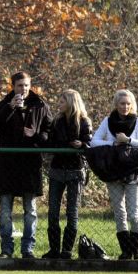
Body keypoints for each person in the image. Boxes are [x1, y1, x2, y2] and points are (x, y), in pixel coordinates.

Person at [0, 71, 52, 259]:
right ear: (13, 86)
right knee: (6, 210)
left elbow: (49, 130)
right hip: (8, 164)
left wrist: (37, 136)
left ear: (30, 85)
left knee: (30, 211)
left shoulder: (40, 105)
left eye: (26, 85)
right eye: (19, 86)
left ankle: (28, 249)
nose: (23, 89)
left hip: (30, 165)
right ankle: (6, 249)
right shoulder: (3, 104)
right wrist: (10, 107)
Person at [91, 89, 138, 260]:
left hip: (133, 172)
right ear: (116, 105)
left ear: (132, 105)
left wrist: (128, 140)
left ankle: (137, 249)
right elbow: (94, 141)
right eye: (122, 103)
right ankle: (125, 250)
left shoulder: (137, 122)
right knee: (119, 212)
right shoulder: (107, 121)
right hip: (114, 171)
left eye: (128, 104)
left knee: (133, 212)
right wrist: (113, 142)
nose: (125, 107)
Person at [42, 89, 92, 259]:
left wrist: (82, 144)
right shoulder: (56, 121)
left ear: (71, 102)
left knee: (72, 212)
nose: (59, 104)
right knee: (53, 211)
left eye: (62, 101)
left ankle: (67, 250)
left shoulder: (83, 122)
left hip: (75, 170)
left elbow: (90, 143)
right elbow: (50, 142)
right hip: (57, 169)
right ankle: (54, 249)